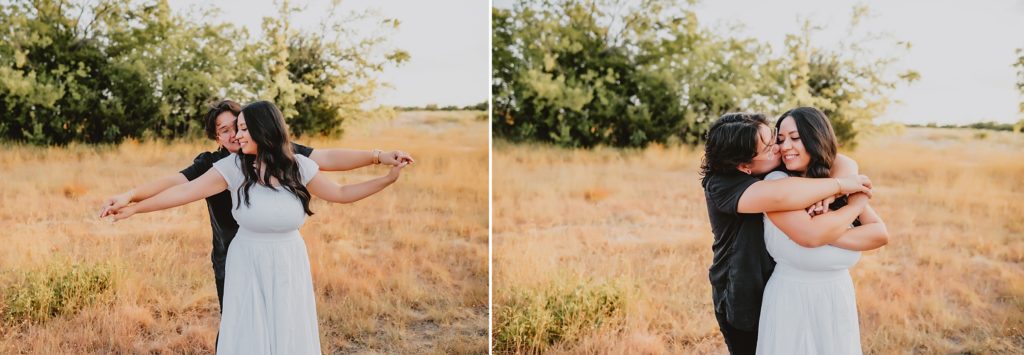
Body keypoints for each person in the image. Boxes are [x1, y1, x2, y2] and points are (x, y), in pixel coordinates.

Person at [107, 100, 408, 354]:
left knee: (287, 329)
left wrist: (383, 169)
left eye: (240, 127)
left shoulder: (294, 162)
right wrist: (134, 204)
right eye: (227, 131)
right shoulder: (226, 167)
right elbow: (180, 189)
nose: (236, 136)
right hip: (240, 258)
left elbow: (339, 188)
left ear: (261, 129)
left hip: (288, 261)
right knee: (243, 332)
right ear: (216, 137)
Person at [700, 112, 873, 354]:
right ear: (744, 166)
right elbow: (780, 195)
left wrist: (832, 194)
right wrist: (842, 188)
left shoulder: (772, 162)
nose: (779, 148)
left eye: (774, 139)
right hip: (744, 294)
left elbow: (841, 161)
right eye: (769, 146)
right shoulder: (722, 184)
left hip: (785, 285)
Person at [756, 107, 889, 354]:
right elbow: (811, 237)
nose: (785, 146)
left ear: (816, 137)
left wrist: (831, 211)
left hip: (837, 297)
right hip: (792, 299)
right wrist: (856, 204)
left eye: (795, 138)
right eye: (781, 139)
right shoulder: (777, 183)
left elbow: (879, 234)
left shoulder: (837, 181)